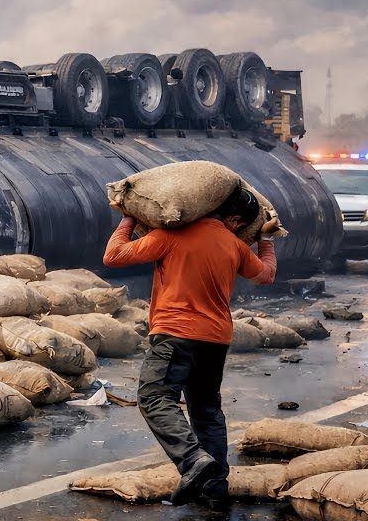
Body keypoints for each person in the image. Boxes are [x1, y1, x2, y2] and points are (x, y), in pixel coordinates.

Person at [103, 186, 279, 508]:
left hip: (175, 333)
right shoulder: (235, 246)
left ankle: (191, 459)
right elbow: (265, 275)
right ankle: (215, 487)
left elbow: (113, 256)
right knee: (206, 409)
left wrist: (128, 218)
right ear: (235, 219)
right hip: (216, 338)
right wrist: (265, 241)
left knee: (154, 397)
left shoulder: (171, 235)